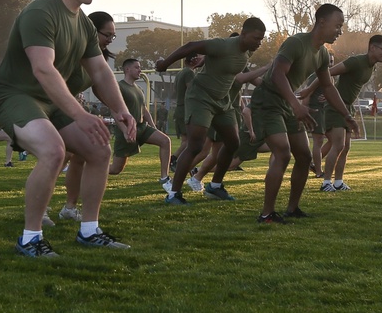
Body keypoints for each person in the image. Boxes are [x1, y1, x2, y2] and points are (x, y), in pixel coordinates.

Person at [0, 0, 137, 256]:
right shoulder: (40, 13)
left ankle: (90, 231)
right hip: (16, 96)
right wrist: (80, 114)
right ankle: (30, 238)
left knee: (99, 149)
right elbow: (43, 68)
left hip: (50, 102)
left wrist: (121, 110)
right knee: (53, 151)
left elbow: (99, 71)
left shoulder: (82, 24)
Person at [252, 3, 357, 223]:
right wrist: (297, 105)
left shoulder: (322, 54)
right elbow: (278, 74)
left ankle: (292, 209)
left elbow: (328, 87)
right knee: (282, 152)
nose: (340, 31)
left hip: (288, 104)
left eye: (342, 27)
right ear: (321, 22)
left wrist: (346, 115)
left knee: (304, 156)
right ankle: (266, 214)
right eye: (337, 25)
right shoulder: (296, 43)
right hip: (269, 100)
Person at [155, 18, 266, 204]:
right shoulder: (223, 45)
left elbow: (222, 65)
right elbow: (191, 46)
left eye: (261, 39)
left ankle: (214, 187)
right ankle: (173, 194)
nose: (259, 43)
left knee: (232, 143)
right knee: (196, 146)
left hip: (223, 102)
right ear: (244, 34)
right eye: (256, 38)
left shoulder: (247, 52)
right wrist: (165, 64)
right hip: (201, 98)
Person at [59, 10, 115, 222]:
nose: (109, 40)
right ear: (92, 30)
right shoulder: (72, 50)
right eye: (106, 35)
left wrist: (118, 111)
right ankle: (40, 209)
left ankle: (70, 208)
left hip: (74, 109)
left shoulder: (99, 57)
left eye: (113, 36)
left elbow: (100, 85)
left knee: (83, 155)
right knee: (57, 155)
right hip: (56, 108)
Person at [319, 35, 382, 192]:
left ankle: (338, 182)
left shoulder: (372, 66)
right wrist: (321, 91)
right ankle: (326, 183)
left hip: (348, 107)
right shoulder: (356, 61)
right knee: (338, 145)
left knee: (346, 147)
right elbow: (328, 73)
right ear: (372, 48)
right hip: (335, 106)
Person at [108, 58, 173, 189]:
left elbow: (144, 110)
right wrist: (125, 130)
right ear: (127, 69)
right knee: (115, 169)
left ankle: (164, 178)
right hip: (127, 130)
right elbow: (114, 111)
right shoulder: (119, 87)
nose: (140, 70)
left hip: (142, 128)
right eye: (137, 67)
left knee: (165, 141)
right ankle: (86, 168)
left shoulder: (139, 89)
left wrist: (154, 128)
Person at [170, 52, 204, 170]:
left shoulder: (181, 72)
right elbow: (192, 90)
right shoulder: (189, 73)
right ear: (193, 60)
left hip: (181, 108)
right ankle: (173, 159)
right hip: (185, 109)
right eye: (200, 57)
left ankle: (177, 161)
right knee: (189, 141)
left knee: (186, 140)